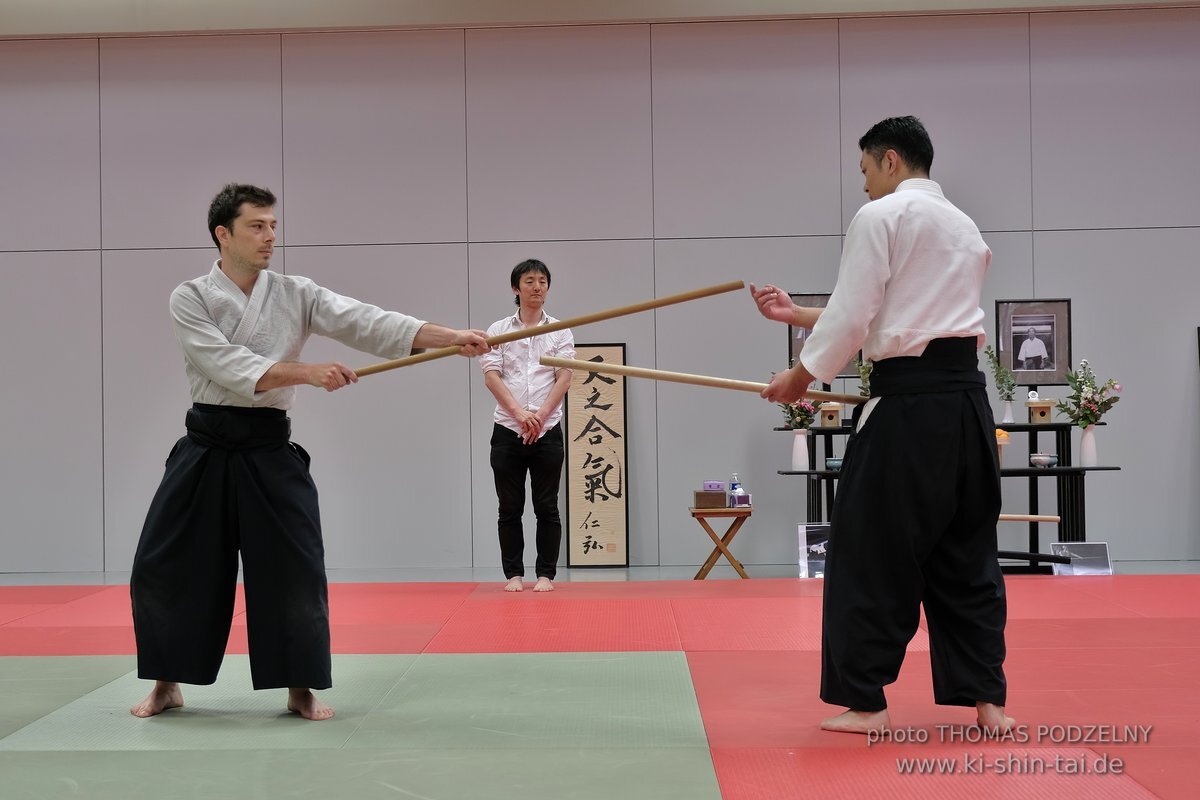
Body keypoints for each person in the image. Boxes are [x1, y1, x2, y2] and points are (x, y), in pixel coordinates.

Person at [129, 183, 490, 721]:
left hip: (268, 446)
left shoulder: (296, 292)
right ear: (222, 234)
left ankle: (299, 686)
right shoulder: (192, 297)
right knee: (168, 565)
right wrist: (309, 372)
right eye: (257, 226)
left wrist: (448, 336)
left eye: (274, 225)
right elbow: (225, 365)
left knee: (294, 567)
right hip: (206, 445)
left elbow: (366, 320)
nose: (270, 236)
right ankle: (166, 682)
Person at [751, 116, 1011, 735]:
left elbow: (863, 313)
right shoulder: (963, 224)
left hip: (906, 409)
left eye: (865, 170)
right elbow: (902, 312)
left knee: (868, 552)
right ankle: (987, 701)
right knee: (966, 553)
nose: (863, 186)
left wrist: (801, 376)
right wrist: (800, 314)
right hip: (967, 405)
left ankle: (866, 701)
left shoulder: (881, 217)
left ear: (890, 161)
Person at [479, 260, 575, 593]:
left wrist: (541, 416)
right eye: (530, 281)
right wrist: (521, 414)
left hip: (548, 430)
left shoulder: (561, 329)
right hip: (508, 428)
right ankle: (514, 575)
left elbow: (564, 376)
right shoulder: (498, 330)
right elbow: (491, 376)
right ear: (515, 289)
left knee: (547, 505)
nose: (537, 286)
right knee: (509, 506)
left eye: (543, 281)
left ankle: (546, 575)